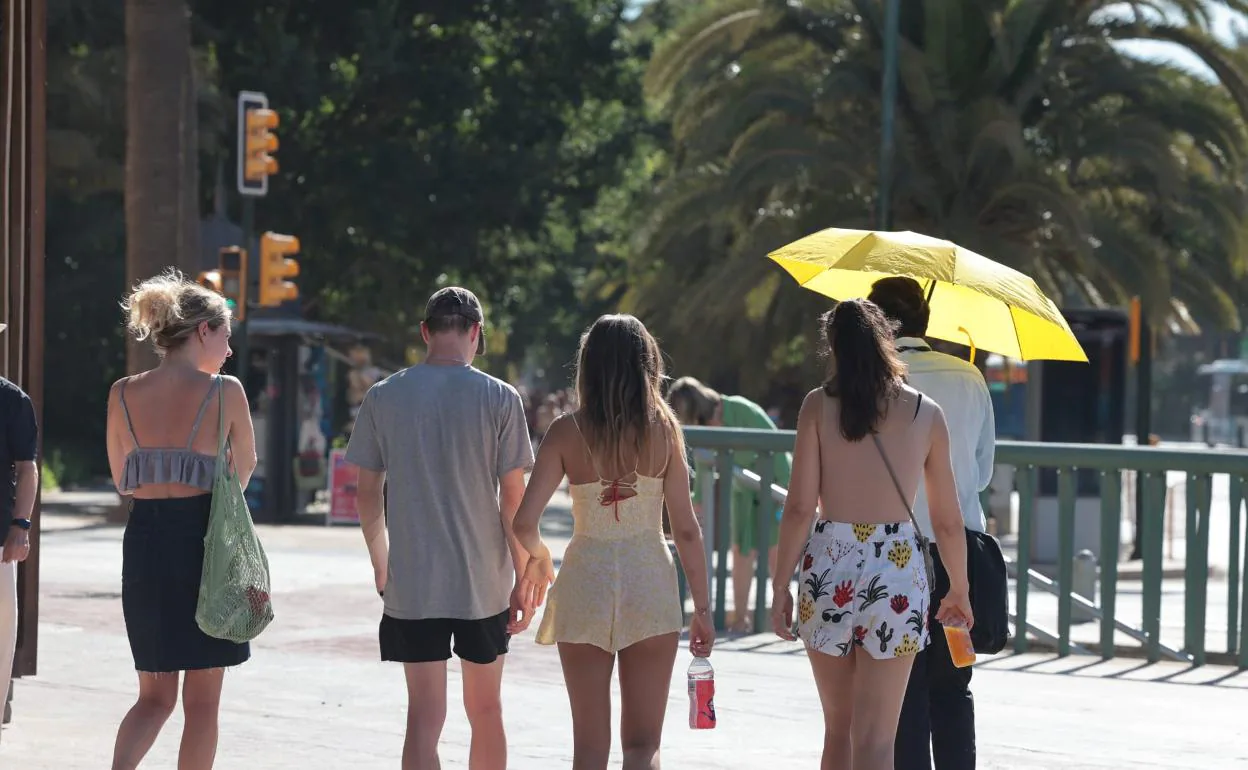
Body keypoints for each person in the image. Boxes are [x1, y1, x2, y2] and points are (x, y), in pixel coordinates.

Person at [771, 299, 973, 770]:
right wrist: (958, 587)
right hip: (897, 570)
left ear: (835, 347)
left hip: (828, 564)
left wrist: (780, 584)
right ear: (885, 341)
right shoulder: (925, 412)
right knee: (878, 739)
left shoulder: (817, 406)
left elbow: (800, 507)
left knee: (838, 731)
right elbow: (946, 519)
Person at [512, 314, 714, 770]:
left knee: (589, 750)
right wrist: (702, 610)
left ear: (589, 365)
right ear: (648, 364)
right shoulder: (665, 431)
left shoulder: (567, 431)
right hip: (650, 582)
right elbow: (686, 529)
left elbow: (525, 522)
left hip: (585, 582)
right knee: (643, 747)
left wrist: (541, 560)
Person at [345, 286, 535, 770]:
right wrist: (520, 576)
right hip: (482, 584)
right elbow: (512, 500)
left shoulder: (384, 396)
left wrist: (381, 564)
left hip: (414, 580)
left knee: (424, 717)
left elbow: (368, 494)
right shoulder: (500, 398)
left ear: (425, 333)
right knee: (486, 710)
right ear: (475, 333)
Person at [106, 270, 258, 770]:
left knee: (153, 698)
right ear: (203, 332)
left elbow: (122, 480)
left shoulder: (122, 393)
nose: (229, 349)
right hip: (204, 544)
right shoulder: (225, 391)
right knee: (202, 704)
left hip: (146, 541)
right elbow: (243, 469)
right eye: (226, 335)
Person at [867, 277, 995, 770]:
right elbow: (981, 474)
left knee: (899, 692)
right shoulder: (968, 377)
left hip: (889, 550)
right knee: (953, 685)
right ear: (926, 322)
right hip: (957, 551)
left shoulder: (872, 386)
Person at [668, 376, 791, 633]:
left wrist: (785, 498)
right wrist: (690, 513)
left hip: (775, 487)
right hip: (743, 495)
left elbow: (777, 450)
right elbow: (701, 478)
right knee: (741, 554)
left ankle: (787, 618)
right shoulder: (703, 432)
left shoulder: (739, 409)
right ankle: (740, 619)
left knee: (776, 556)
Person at [0, 320, 38, 742]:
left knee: (0, 643)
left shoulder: (12, 400)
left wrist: (20, 526)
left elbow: (27, 469)